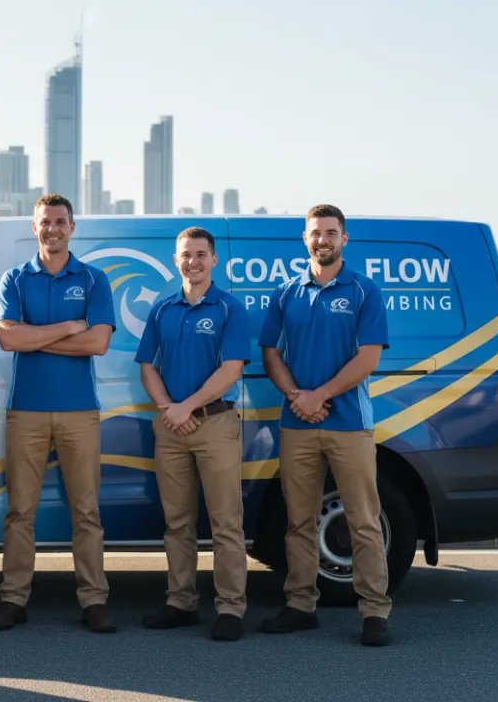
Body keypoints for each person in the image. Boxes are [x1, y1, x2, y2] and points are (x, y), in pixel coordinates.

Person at [258, 203, 393, 647]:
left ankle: (374, 612)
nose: (323, 239)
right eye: (316, 232)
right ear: (305, 238)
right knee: (298, 520)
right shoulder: (286, 293)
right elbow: (271, 354)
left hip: (350, 423)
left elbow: (368, 358)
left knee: (364, 520)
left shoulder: (364, 291)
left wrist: (320, 396)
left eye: (331, 232)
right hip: (297, 423)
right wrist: (299, 396)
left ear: (344, 239)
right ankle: (300, 605)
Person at [0, 194, 118, 634]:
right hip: (26, 409)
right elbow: (8, 340)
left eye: (60, 222)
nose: (52, 229)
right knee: (20, 511)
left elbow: (97, 343)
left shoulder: (95, 280)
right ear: (35, 226)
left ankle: (94, 600)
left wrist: (34, 337)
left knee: (86, 511)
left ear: (72, 227)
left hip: (80, 411)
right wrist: (66, 328)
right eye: (45, 222)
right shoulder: (16, 279)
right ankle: (13, 598)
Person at [135, 227, 251, 642]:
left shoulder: (229, 308)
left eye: (201, 254)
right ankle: (180, 602)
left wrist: (187, 406)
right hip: (171, 426)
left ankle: (231, 608)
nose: (193, 261)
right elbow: (147, 365)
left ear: (214, 260)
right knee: (177, 521)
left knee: (225, 522)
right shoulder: (162, 308)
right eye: (186, 254)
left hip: (215, 424)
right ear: (176, 259)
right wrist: (170, 407)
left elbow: (231, 369)